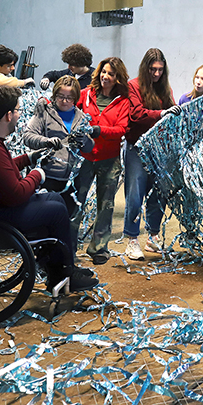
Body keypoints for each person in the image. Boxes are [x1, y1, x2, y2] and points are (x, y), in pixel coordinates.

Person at [0, 85, 97, 295]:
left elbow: (1, 168)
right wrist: (37, 175)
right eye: (18, 111)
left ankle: (58, 268)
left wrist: (29, 158)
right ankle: (63, 272)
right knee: (57, 210)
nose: (19, 116)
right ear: (8, 115)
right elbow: (16, 195)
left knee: (55, 199)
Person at [73, 57, 131, 264]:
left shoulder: (123, 101)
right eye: (104, 72)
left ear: (118, 78)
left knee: (105, 205)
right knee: (75, 202)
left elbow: (121, 130)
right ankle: (68, 247)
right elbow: (68, 112)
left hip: (109, 159)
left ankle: (98, 248)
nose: (106, 77)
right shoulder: (85, 94)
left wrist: (99, 131)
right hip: (84, 158)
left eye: (112, 74)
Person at [123, 48, 179, 260]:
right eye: (153, 70)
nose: (156, 74)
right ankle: (132, 240)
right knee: (135, 193)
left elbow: (172, 109)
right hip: (137, 147)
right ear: (145, 68)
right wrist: (161, 114)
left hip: (159, 149)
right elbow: (136, 114)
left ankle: (152, 237)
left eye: (160, 70)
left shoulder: (165, 88)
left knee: (159, 191)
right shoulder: (133, 86)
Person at [23, 75, 94, 216]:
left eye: (69, 98)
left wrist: (85, 141)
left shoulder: (81, 117)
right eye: (60, 96)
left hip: (71, 180)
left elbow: (89, 147)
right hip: (46, 177)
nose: (64, 101)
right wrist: (46, 141)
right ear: (54, 95)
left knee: (67, 216)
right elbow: (27, 136)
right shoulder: (44, 112)